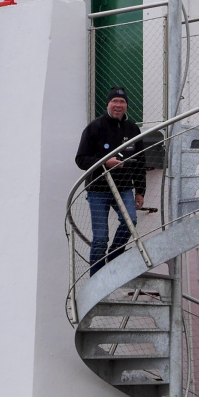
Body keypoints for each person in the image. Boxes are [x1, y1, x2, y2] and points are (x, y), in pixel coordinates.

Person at [75, 86, 147, 274]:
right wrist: (105, 162)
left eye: (122, 102)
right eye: (115, 101)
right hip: (98, 190)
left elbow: (140, 162)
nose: (118, 105)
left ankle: (113, 261)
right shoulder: (94, 127)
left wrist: (140, 191)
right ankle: (97, 279)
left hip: (123, 188)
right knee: (100, 238)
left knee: (130, 221)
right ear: (108, 104)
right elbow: (81, 159)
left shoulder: (133, 129)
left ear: (126, 106)